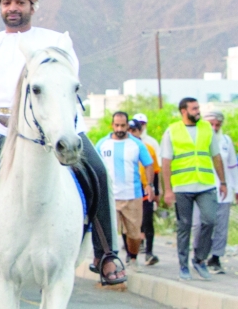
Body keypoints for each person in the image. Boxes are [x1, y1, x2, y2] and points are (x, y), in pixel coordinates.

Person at [0, 0, 124, 288]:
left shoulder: (57, 41)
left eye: (19, 3)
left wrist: (68, 126)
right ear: (0, 8)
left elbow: (68, 86)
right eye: (6, 3)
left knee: (97, 172)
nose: (12, 8)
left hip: (53, 124)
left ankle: (106, 253)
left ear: (32, 7)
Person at [161, 98, 228, 280]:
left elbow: (216, 156)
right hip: (183, 186)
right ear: (184, 111)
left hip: (206, 184)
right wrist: (168, 189)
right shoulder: (172, 131)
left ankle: (199, 259)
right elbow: (166, 162)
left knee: (209, 221)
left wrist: (222, 182)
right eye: (194, 108)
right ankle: (183, 265)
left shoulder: (206, 128)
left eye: (198, 108)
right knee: (185, 226)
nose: (198, 111)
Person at [95, 112, 153, 266]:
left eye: (123, 125)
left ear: (128, 125)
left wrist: (149, 184)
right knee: (110, 233)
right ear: (112, 125)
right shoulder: (102, 144)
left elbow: (148, 164)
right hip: (109, 196)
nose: (120, 128)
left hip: (132, 195)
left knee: (134, 233)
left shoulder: (137, 144)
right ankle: (110, 262)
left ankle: (133, 258)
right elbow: (95, 165)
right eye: (117, 125)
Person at [194, 110, 238, 274]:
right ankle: (199, 255)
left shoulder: (225, 141)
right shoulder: (198, 140)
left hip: (223, 191)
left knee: (221, 226)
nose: (214, 127)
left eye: (217, 125)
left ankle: (216, 258)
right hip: (202, 190)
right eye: (211, 124)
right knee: (200, 225)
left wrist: (236, 189)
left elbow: (233, 166)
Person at [129, 119, 161, 265]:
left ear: (139, 131)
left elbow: (155, 171)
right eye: (129, 130)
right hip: (129, 190)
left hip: (145, 189)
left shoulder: (148, 148)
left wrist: (157, 192)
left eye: (134, 130)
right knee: (129, 224)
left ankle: (149, 252)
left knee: (148, 222)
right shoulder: (123, 147)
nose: (131, 133)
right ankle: (131, 254)